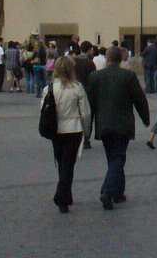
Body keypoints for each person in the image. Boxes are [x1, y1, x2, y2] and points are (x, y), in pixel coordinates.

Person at [85, 46, 150, 210]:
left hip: (104, 125)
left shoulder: (94, 77)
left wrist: (88, 128)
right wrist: (145, 118)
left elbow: (89, 105)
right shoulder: (128, 76)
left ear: (107, 59)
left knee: (112, 157)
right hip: (123, 124)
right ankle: (108, 190)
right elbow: (139, 99)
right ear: (120, 59)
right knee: (118, 158)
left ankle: (118, 193)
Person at [44, 56, 92, 213]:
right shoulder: (77, 87)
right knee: (69, 164)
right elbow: (85, 113)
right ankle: (61, 195)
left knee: (61, 162)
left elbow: (44, 110)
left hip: (56, 129)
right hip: (73, 128)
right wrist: (87, 131)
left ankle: (66, 194)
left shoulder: (49, 88)